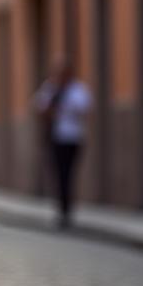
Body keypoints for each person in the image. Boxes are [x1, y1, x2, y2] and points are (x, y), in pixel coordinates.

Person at [32, 61, 92, 228]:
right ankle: (62, 209)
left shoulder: (77, 90)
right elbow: (38, 106)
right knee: (58, 175)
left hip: (72, 138)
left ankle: (67, 209)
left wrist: (62, 108)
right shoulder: (50, 88)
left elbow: (84, 108)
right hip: (54, 138)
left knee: (68, 174)